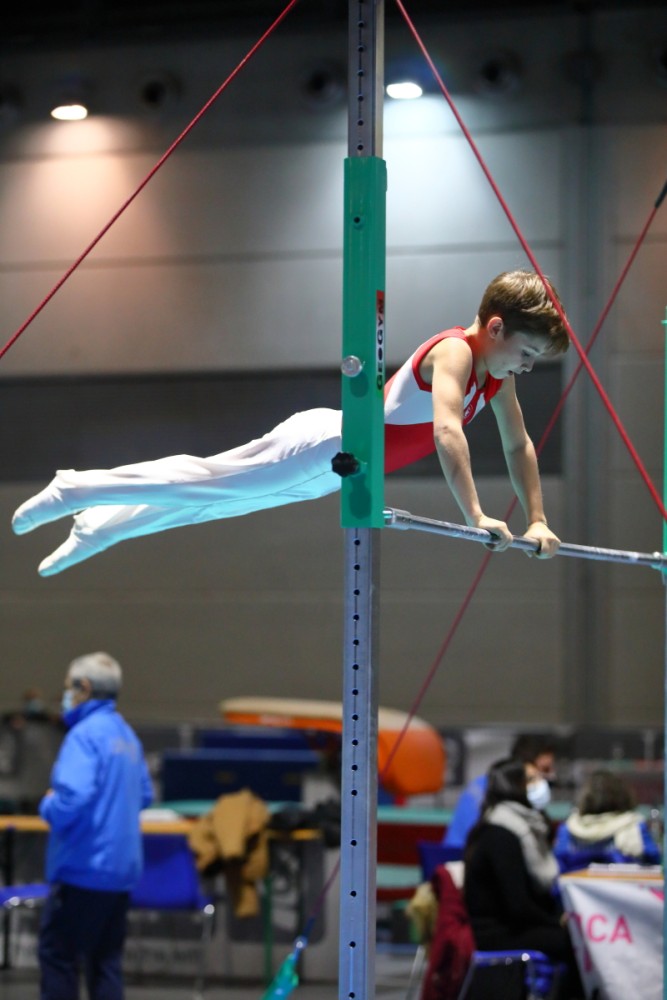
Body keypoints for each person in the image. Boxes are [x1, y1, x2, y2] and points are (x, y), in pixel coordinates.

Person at [11, 269, 569, 577]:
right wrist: (475, 515)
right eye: (528, 352)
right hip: (327, 443)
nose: (527, 366)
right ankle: (76, 487)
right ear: (495, 327)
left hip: (337, 470)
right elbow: (448, 431)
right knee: (205, 481)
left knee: (214, 503)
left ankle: (99, 528)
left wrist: (538, 520)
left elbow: (518, 445)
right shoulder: (456, 353)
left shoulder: (497, 378)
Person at [38, 651, 153, 1000]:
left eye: (68, 688)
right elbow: (144, 795)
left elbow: (73, 798)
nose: (65, 696)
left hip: (83, 870)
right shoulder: (127, 736)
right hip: (120, 874)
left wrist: (48, 804)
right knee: (105, 963)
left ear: (84, 688)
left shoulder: (84, 736)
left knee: (58, 956)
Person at [463, 757, 583, 999]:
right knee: (577, 945)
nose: (541, 784)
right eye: (531, 779)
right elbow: (517, 905)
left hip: (513, 925)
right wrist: (556, 922)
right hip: (497, 933)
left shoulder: (522, 828)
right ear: (513, 785)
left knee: (577, 938)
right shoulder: (501, 834)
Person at [443, 732, 557, 852]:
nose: (551, 776)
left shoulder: (496, 786)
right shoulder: (497, 792)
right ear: (525, 767)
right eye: (545, 769)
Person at [554, 768, 662, 872]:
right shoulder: (635, 826)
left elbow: (559, 864)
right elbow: (654, 860)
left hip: (575, 884)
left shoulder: (568, 829)